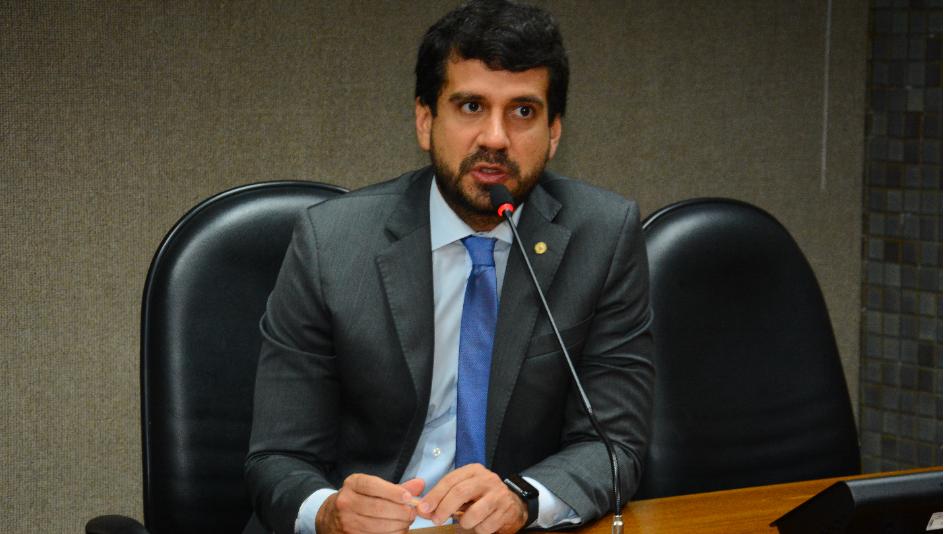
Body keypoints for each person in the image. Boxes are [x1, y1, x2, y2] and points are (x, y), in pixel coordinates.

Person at [245, 1, 654, 533]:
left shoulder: (603, 236)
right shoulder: (331, 242)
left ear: (554, 133)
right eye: (471, 106)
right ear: (425, 121)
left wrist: (525, 497)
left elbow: (614, 444)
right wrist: (329, 512)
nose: (495, 138)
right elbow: (276, 457)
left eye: (523, 112)